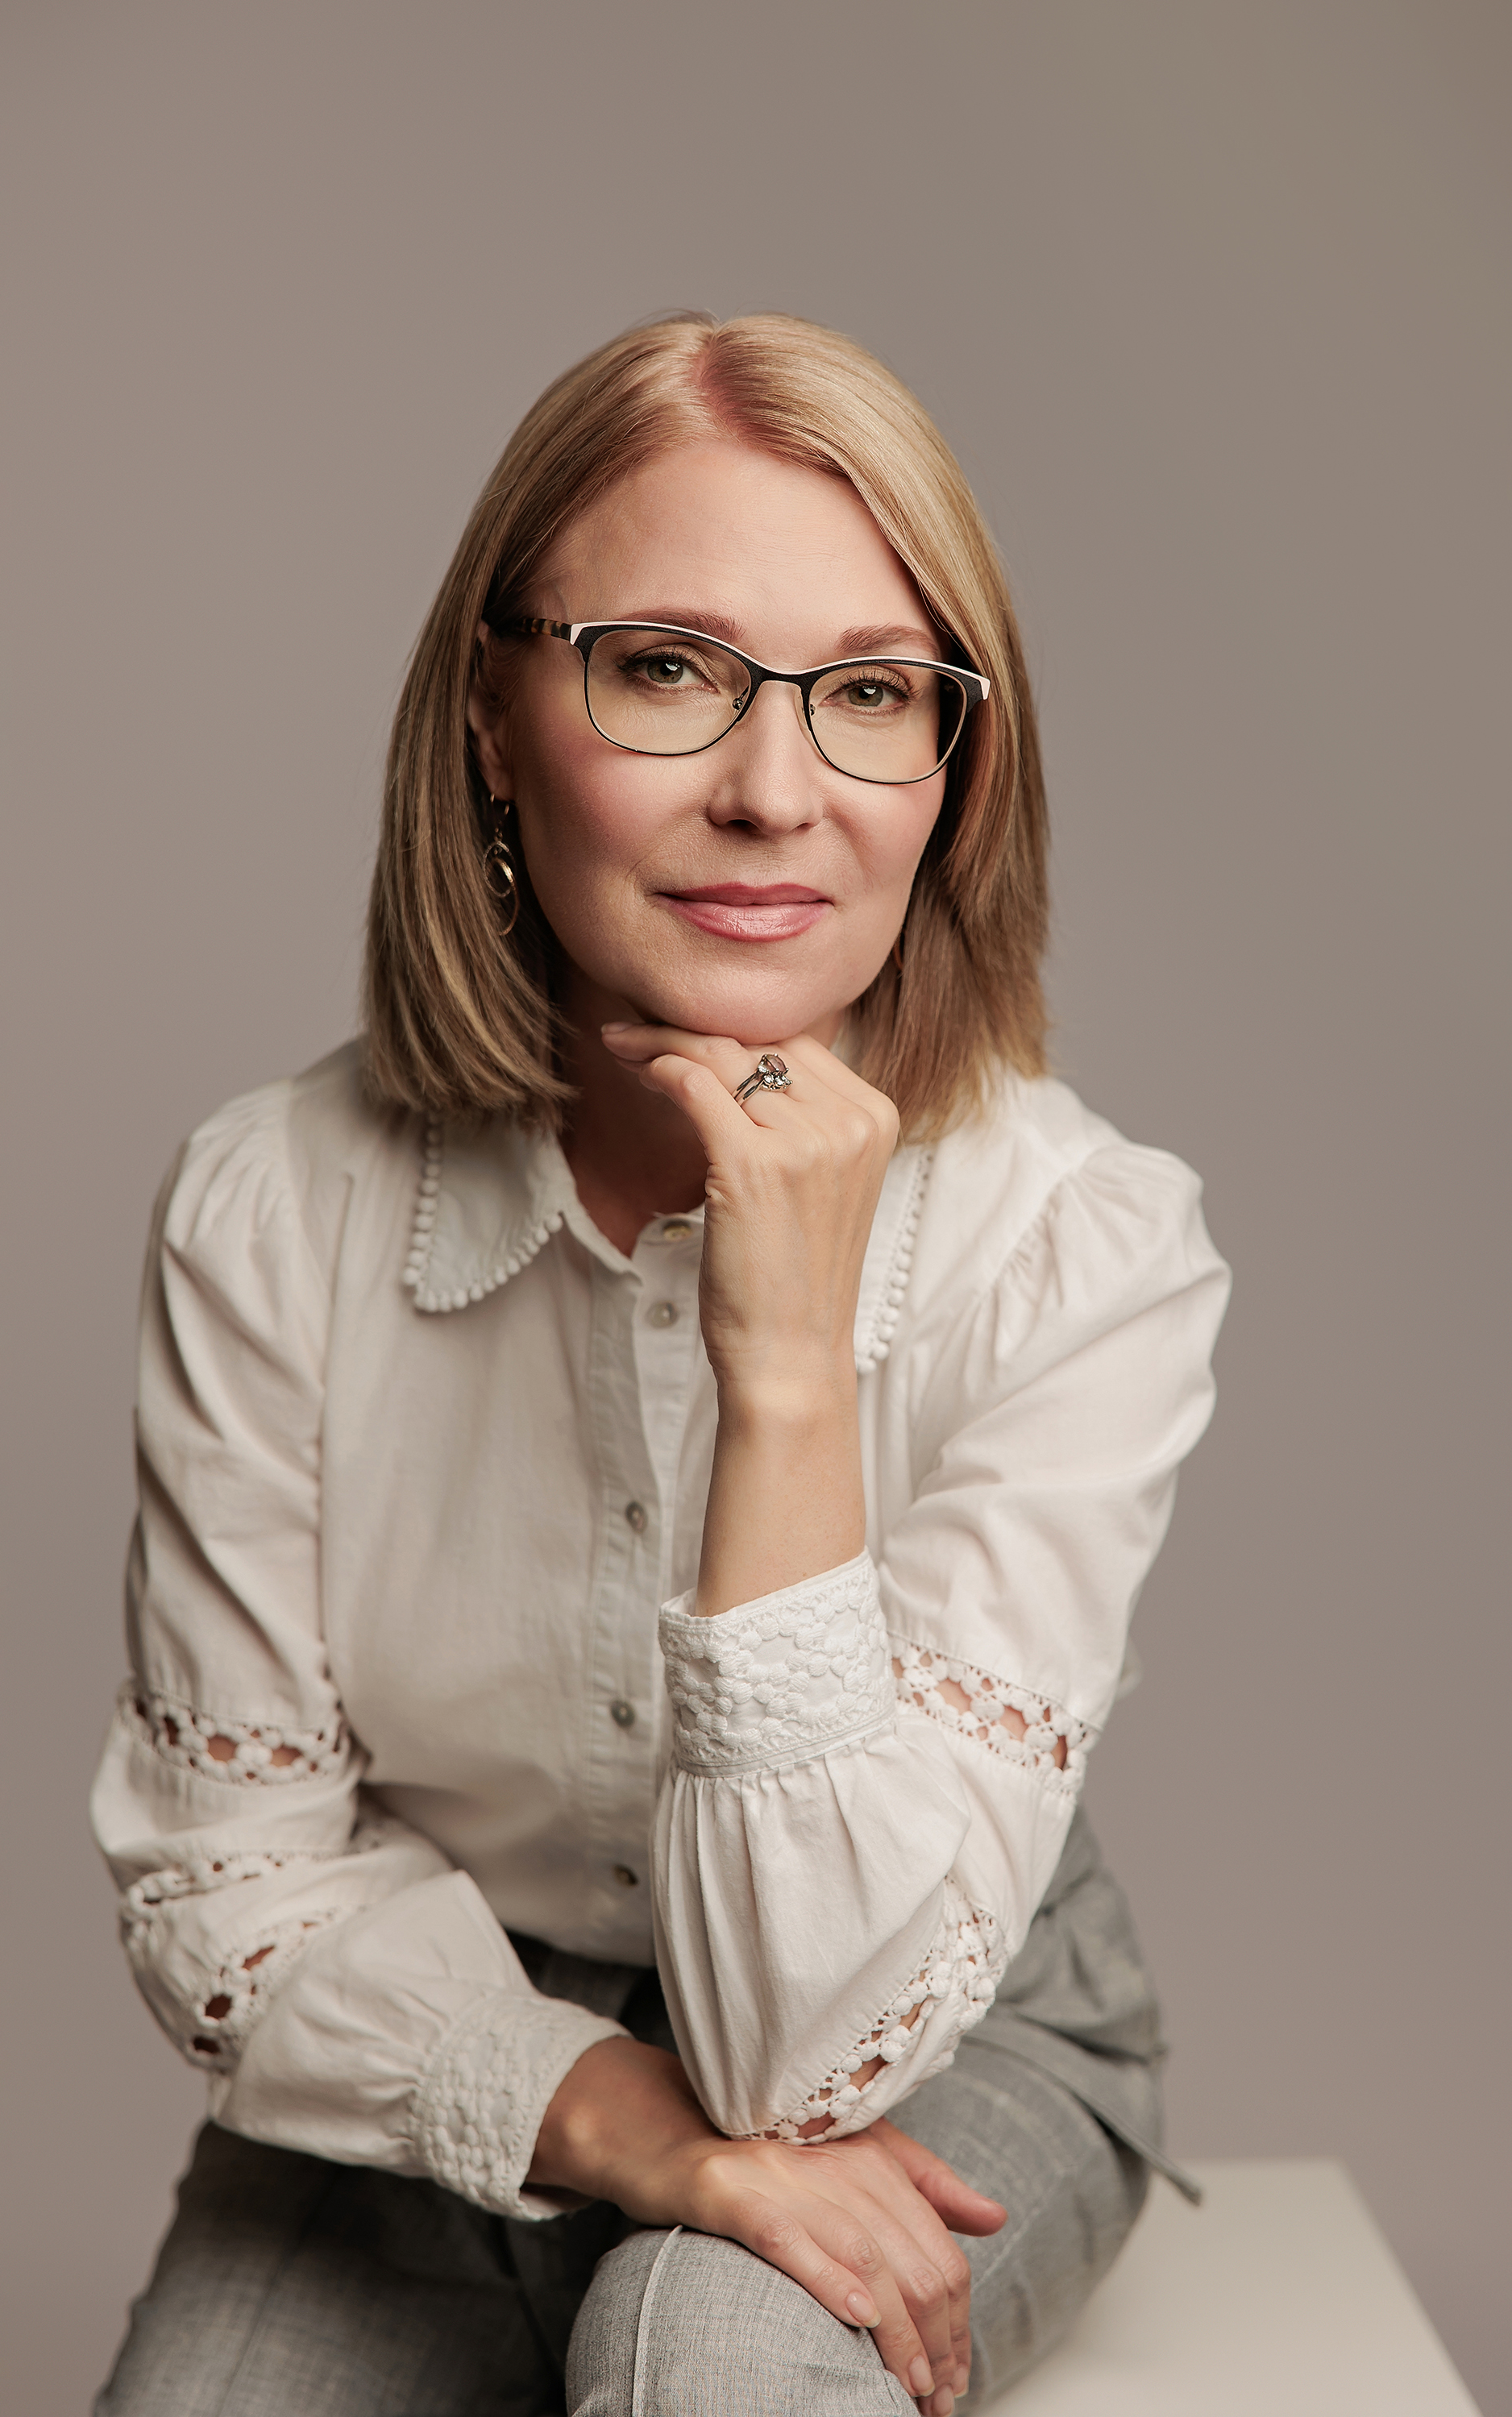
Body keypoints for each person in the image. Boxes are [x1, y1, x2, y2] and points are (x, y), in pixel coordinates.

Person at [91, 310, 1229, 2417]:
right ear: (493, 722)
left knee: (708, 2367)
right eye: (666, 668)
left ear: (955, 771)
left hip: (940, 2008)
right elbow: (226, 1882)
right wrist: (626, 2127)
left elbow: (817, 2056)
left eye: (873, 695)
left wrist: (784, 1362)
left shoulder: (1084, 1243)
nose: (773, 790)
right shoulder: (272, 1208)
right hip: (436, 1996)